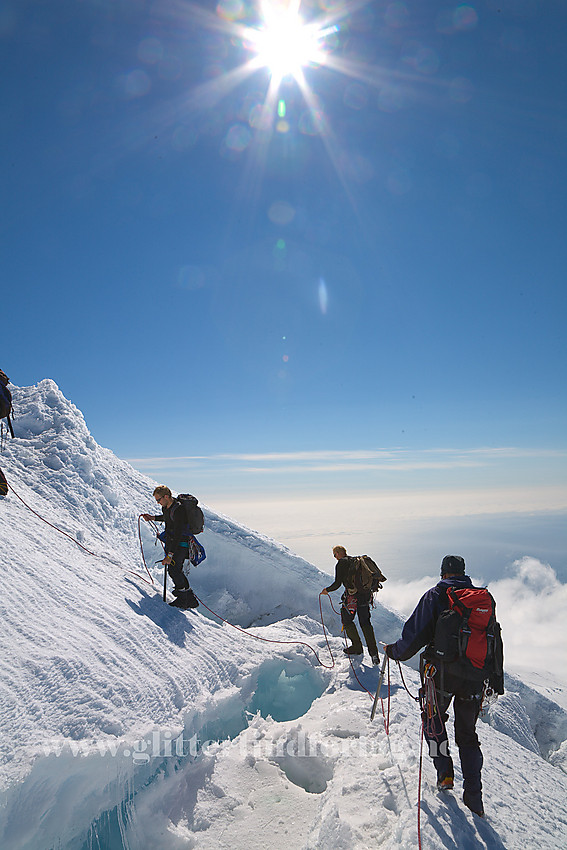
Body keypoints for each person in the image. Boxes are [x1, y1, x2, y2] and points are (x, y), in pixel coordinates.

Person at [385, 555, 502, 818]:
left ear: (443, 573)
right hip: (474, 678)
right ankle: (474, 795)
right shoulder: (483, 599)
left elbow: (415, 633)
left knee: (433, 722)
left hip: (441, 676)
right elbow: (494, 636)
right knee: (468, 737)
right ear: (463, 573)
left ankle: (444, 772)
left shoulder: (436, 595)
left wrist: (395, 652)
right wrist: (495, 678)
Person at [321, 545, 380, 665]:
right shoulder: (356, 561)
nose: (335, 557)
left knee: (347, 621)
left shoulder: (341, 563)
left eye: (334, 555)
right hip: (365, 596)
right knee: (366, 623)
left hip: (352, 598)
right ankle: (374, 654)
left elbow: (337, 583)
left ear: (338, 553)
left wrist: (327, 590)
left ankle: (357, 647)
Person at [142, 486, 199, 609]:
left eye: (159, 499)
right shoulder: (167, 507)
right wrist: (152, 518)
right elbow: (167, 517)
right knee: (176, 569)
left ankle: (183, 599)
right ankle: (190, 599)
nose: (158, 502)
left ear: (166, 497)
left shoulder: (179, 509)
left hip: (181, 543)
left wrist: (170, 555)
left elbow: (178, 532)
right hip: (172, 542)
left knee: (174, 570)